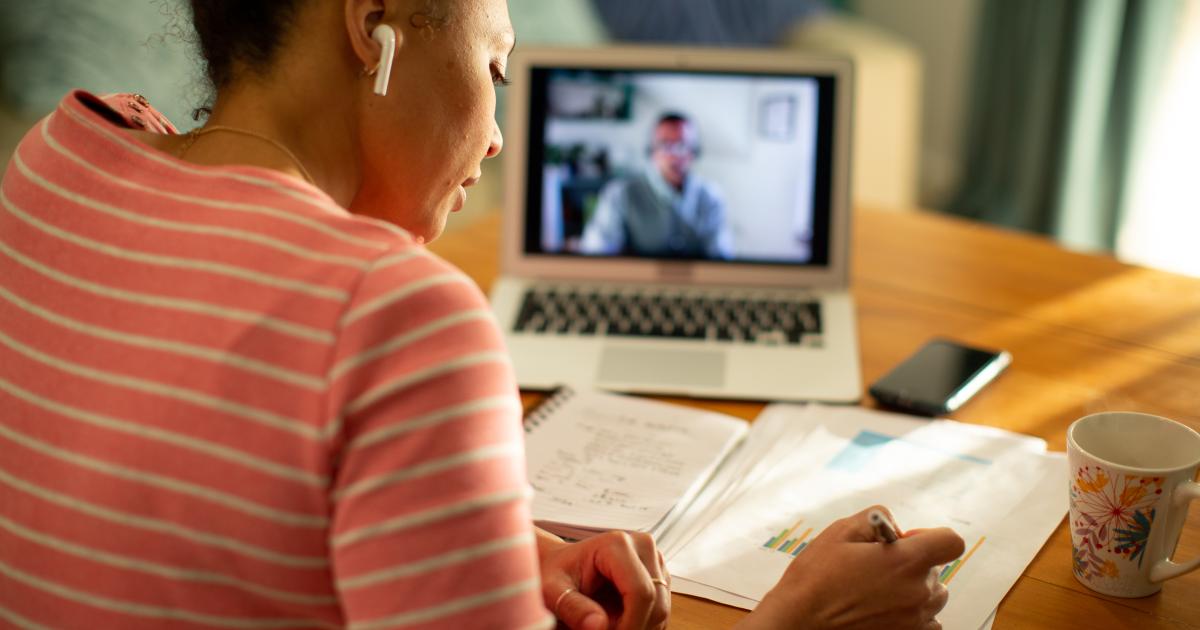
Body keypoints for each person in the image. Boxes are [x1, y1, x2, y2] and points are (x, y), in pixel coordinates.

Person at [0, 0, 962, 628]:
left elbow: (183, 498)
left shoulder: (62, 155)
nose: (499, 137)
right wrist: (798, 619)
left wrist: (484, 548)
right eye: (495, 72)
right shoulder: (398, 315)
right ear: (374, 24)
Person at [580, 112, 735, 259]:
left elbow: (720, 258)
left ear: (694, 152)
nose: (674, 155)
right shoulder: (619, 194)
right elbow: (597, 253)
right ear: (651, 151)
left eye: (682, 146)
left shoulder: (711, 197)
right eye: (665, 145)